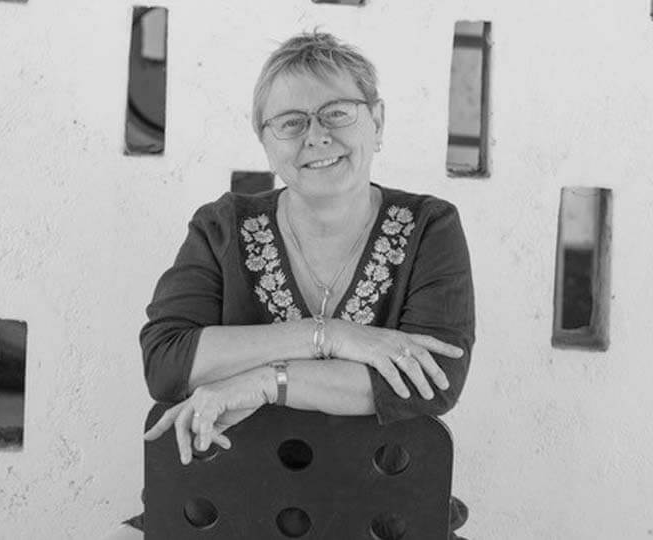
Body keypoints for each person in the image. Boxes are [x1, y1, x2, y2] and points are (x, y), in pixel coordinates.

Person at [106, 31, 475, 540]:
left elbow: (430, 381)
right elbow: (168, 362)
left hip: (383, 515)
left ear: (378, 121)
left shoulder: (430, 227)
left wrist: (265, 382)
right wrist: (327, 335)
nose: (316, 136)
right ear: (265, 140)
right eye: (291, 122)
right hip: (221, 513)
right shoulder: (221, 227)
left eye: (337, 112)